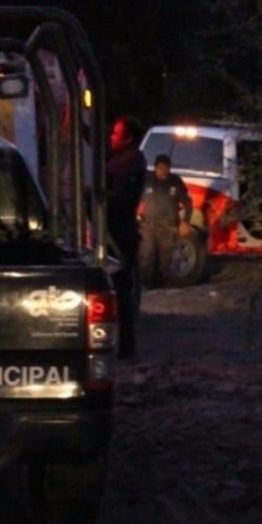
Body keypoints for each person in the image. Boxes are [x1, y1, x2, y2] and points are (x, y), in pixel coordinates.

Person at [105, 116, 147, 358]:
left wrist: (92, 196)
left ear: (129, 139)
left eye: (116, 134)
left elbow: (118, 198)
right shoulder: (124, 159)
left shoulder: (129, 162)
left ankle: (127, 348)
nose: (112, 137)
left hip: (119, 233)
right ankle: (125, 346)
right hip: (118, 230)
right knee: (122, 288)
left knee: (121, 288)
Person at [138, 154, 192, 289]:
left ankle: (161, 289)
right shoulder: (147, 181)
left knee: (165, 261)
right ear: (155, 168)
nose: (164, 172)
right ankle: (146, 288)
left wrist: (185, 222)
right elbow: (134, 200)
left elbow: (188, 203)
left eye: (166, 169)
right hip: (148, 226)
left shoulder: (175, 182)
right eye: (161, 168)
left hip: (168, 228)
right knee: (146, 258)